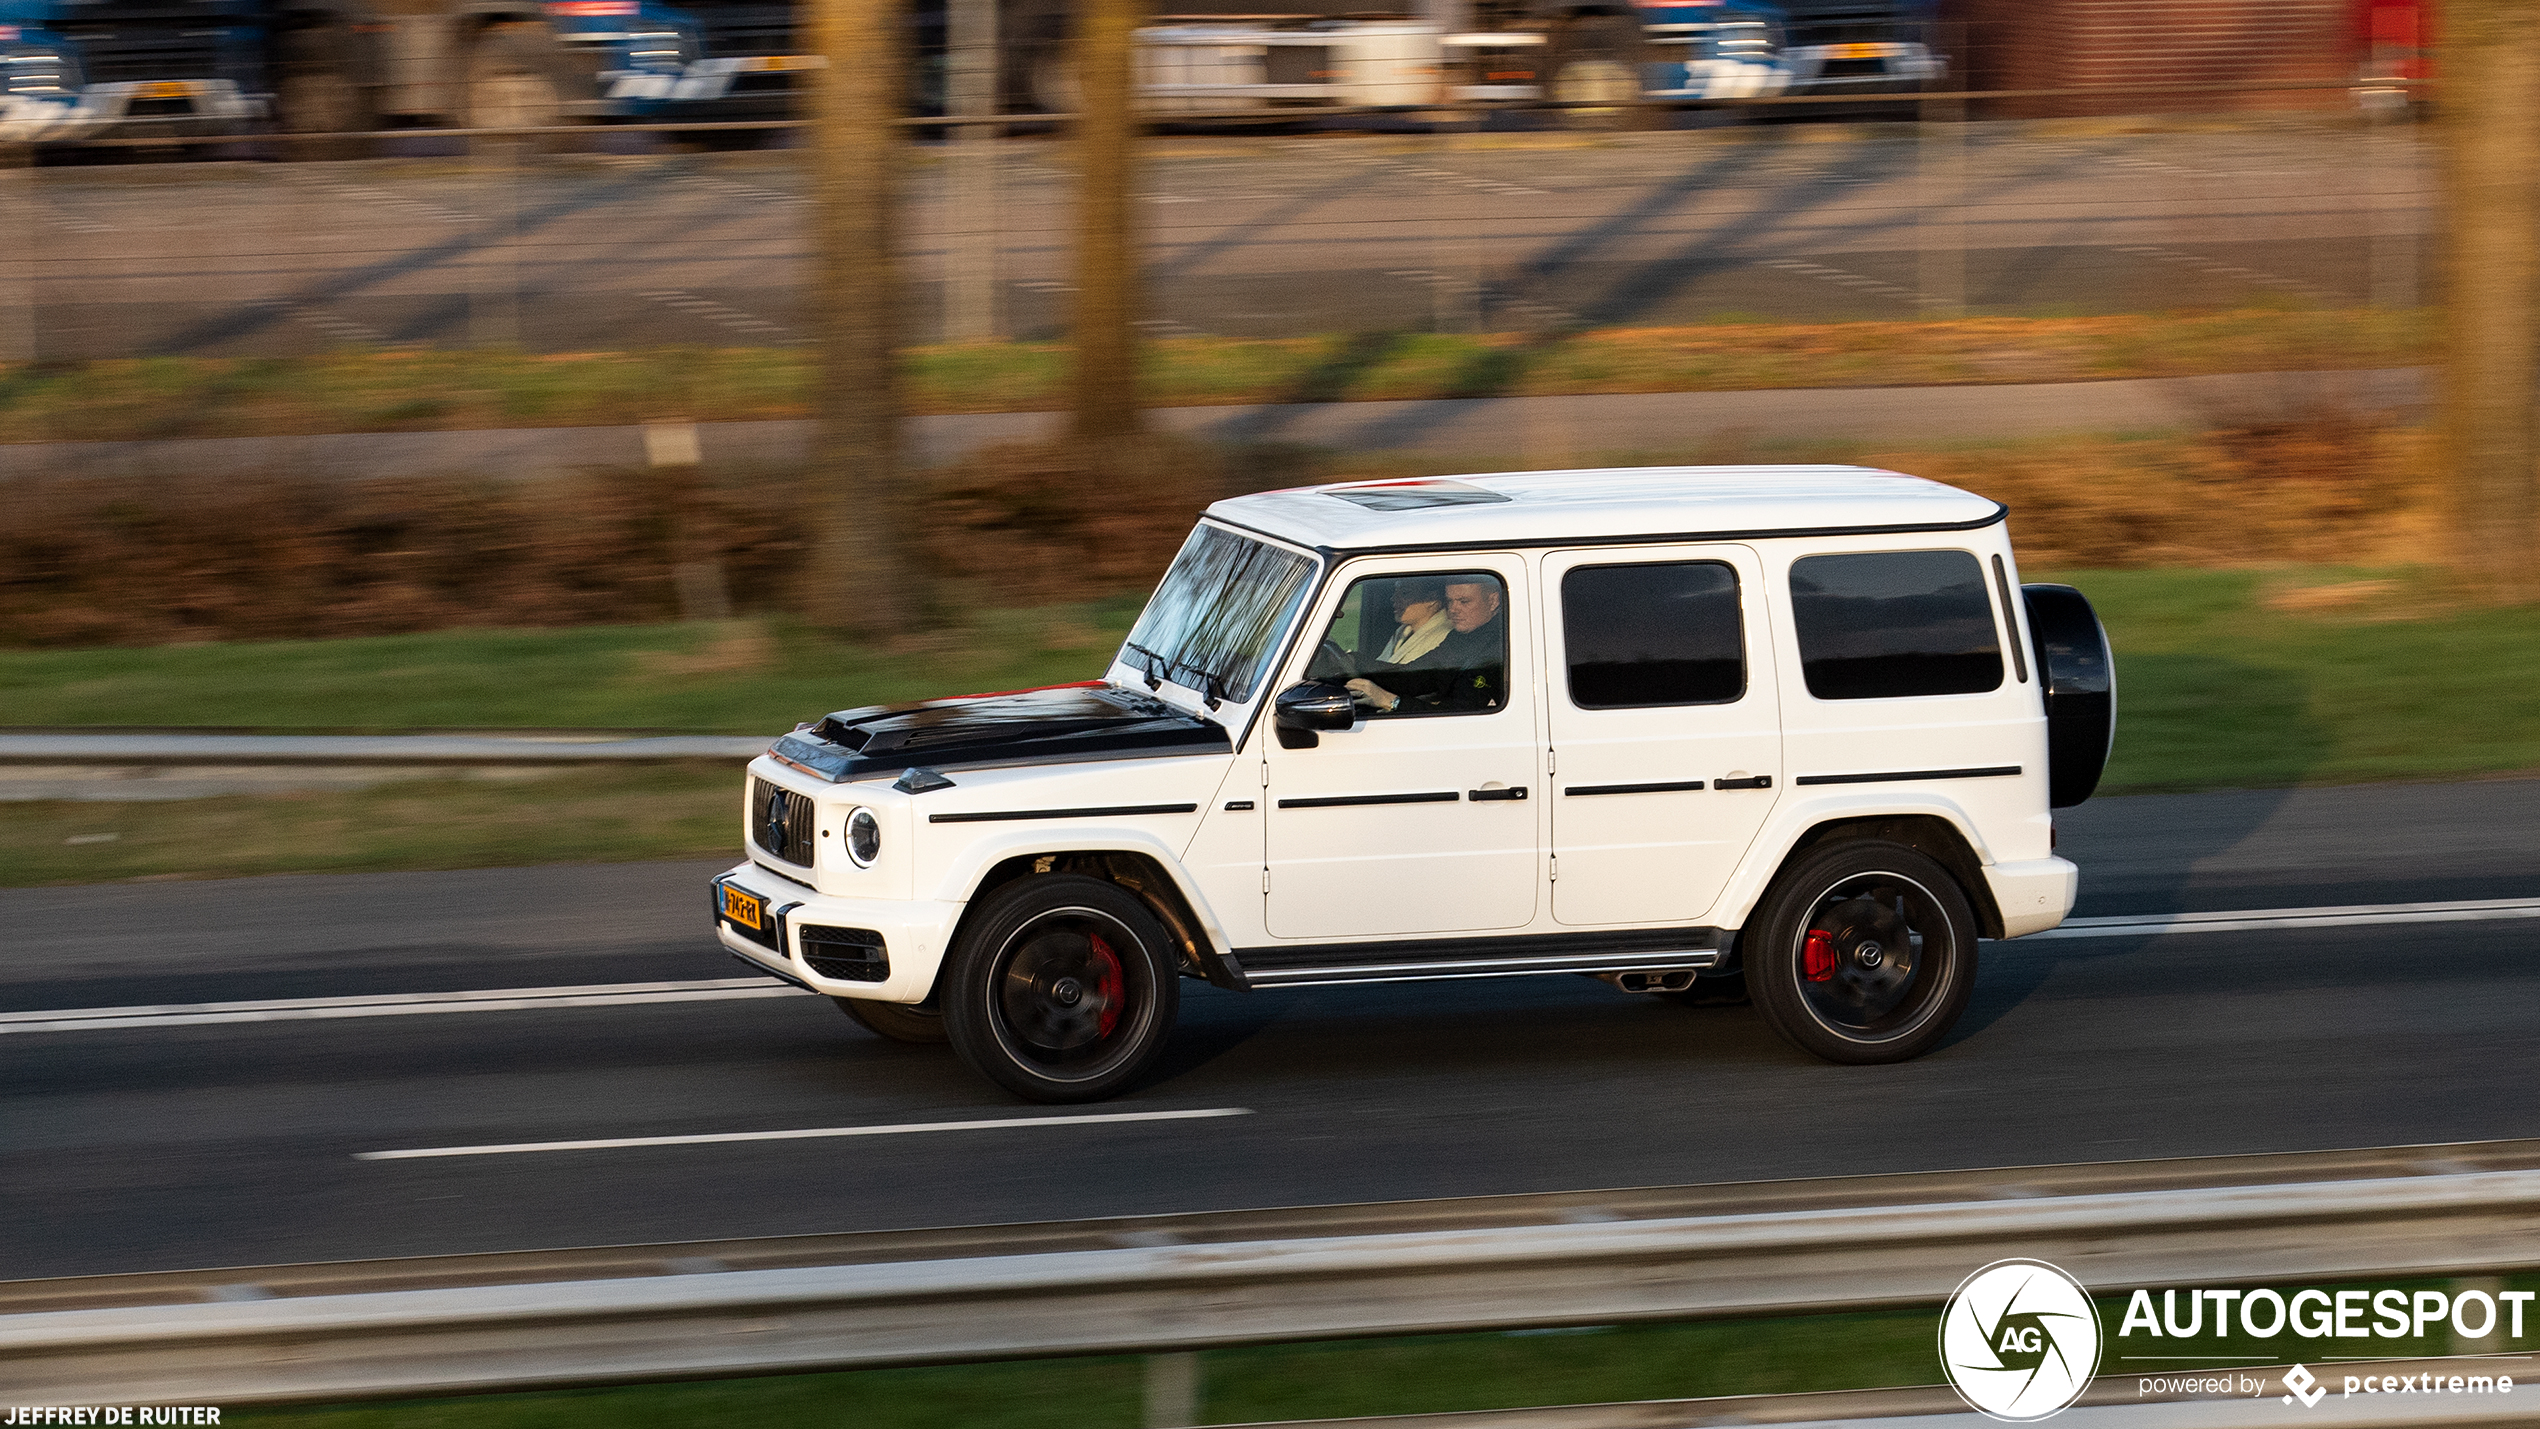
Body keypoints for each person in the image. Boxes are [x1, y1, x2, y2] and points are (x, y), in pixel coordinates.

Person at [1348, 577, 1506, 715]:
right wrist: (1355, 663)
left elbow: (1459, 716)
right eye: (1449, 601)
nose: (1453, 609)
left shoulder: (1500, 647)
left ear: (1493, 601)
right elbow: (1415, 676)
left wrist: (1391, 702)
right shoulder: (1462, 638)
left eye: (1464, 601)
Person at [1376, 579, 1451, 665]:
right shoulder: (1402, 632)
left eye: (1404, 593)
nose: (1393, 598)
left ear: (1431, 599)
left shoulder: (1443, 636)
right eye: (1395, 593)